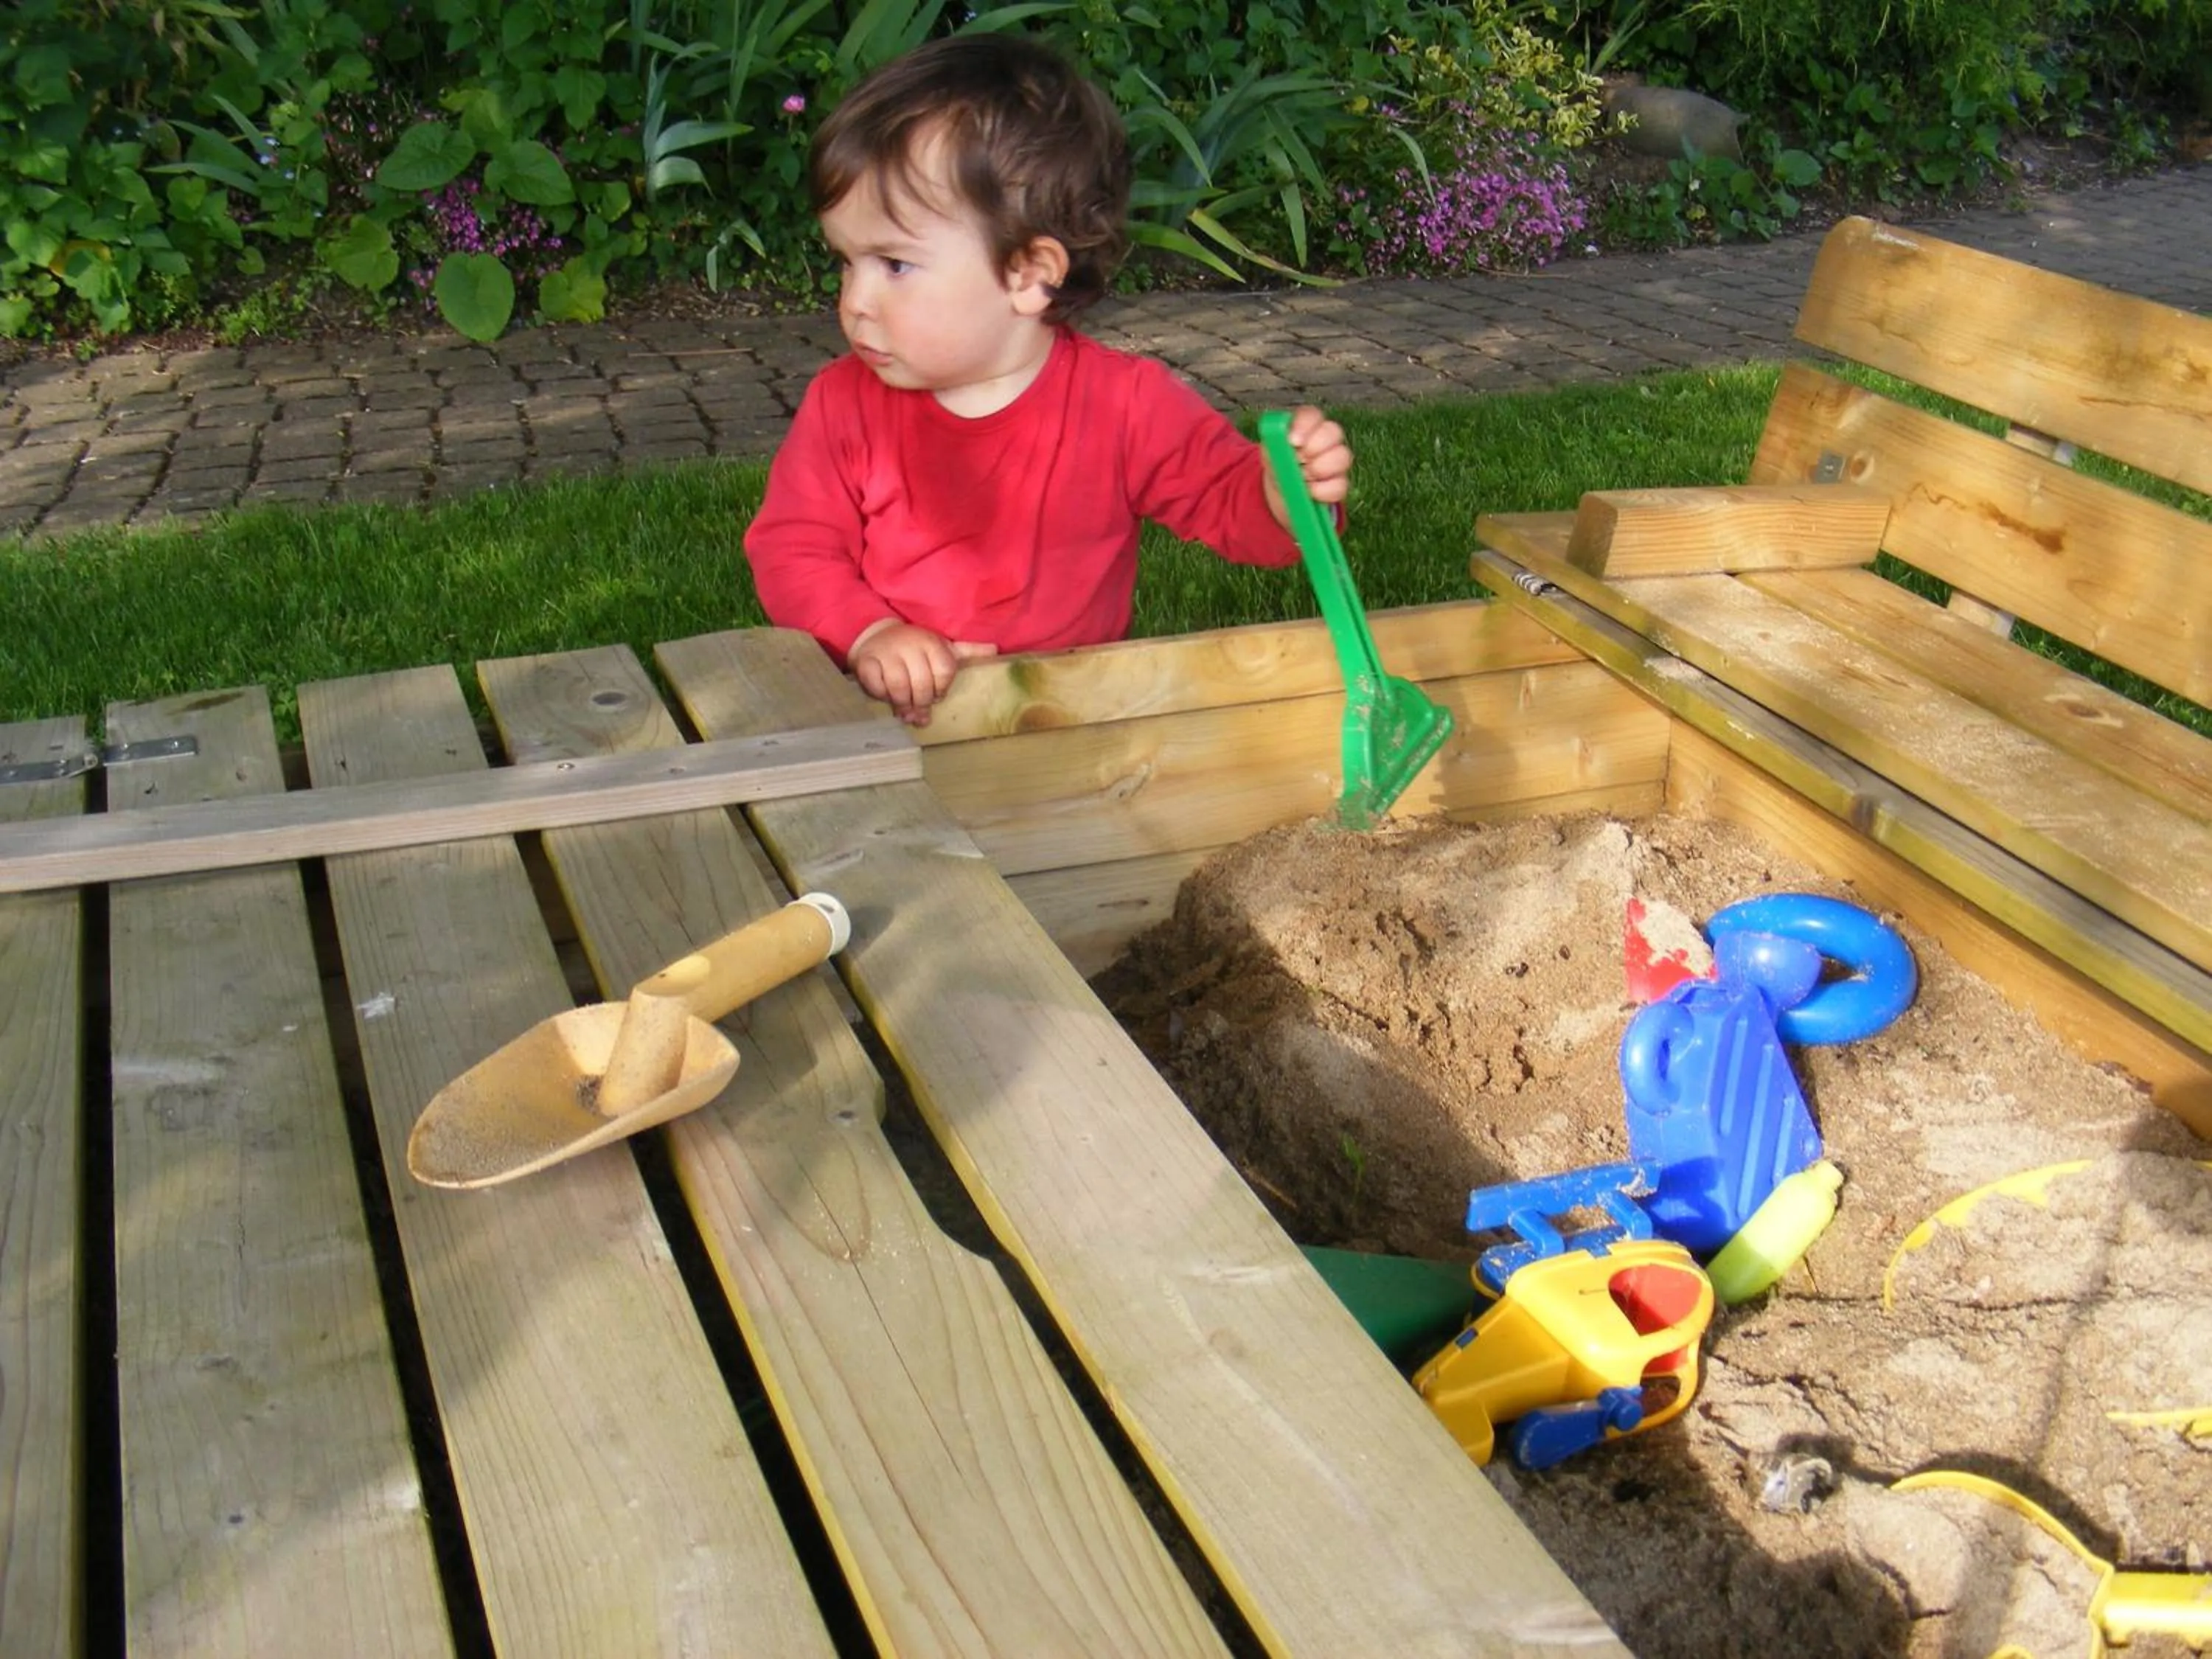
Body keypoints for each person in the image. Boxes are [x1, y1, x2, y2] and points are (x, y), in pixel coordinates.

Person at [742, 32, 1353, 725]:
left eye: (895, 265)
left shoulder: (1124, 406)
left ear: (1029, 275)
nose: (854, 299)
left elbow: (1227, 503)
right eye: (846, 262)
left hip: (1070, 725)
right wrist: (870, 633)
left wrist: (1282, 495)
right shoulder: (844, 403)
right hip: (882, 724)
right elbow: (792, 547)